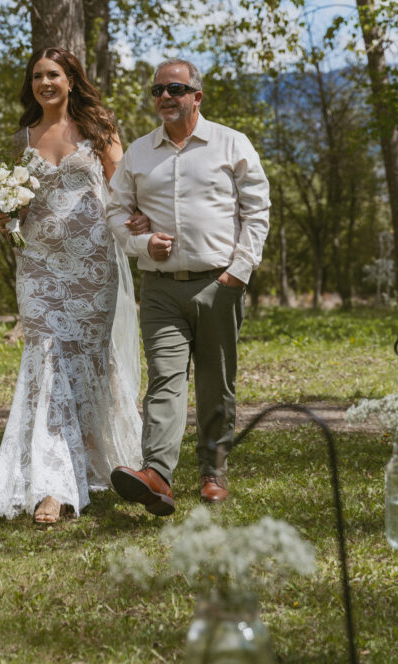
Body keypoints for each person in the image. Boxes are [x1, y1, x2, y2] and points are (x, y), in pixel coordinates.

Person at [0, 48, 144, 525]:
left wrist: (142, 230)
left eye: (53, 74)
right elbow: (17, 206)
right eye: (37, 76)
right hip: (39, 267)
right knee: (46, 360)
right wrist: (6, 213)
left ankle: (93, 462)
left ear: (71, 79)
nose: (44, 83)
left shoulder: (99, 129)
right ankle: (53, 487)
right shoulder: (23, 138)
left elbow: (126, 189)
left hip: (92, 267)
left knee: (86, 360)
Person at [106, 58, 270, 516]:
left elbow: (257, 211)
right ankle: (156, 474)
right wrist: (140, 241)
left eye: (174, 89)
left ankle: (213, 471)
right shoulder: (139, 153)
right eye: (157, 90)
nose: (164, 97)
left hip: (218, 283)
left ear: (196, 96)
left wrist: (237, 272)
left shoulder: (231, 144)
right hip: (159, 291)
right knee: (165, 380)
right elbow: (114, 211)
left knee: (217, 383)